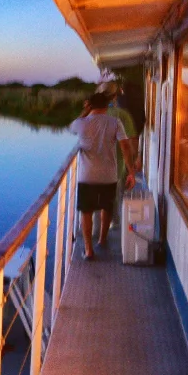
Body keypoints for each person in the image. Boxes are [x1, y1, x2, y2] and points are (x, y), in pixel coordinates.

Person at [69, 91, 138, 259]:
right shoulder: (115, 122)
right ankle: (101, 240)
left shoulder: (81, 123)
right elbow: (125, 148)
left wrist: (85, 112)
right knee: (107, 208)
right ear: (106, 106)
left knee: (86, 212)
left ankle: (88, 249)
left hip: (87, 176)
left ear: (89, 105)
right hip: (109, 176)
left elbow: (71, 128)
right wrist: (131, 172)